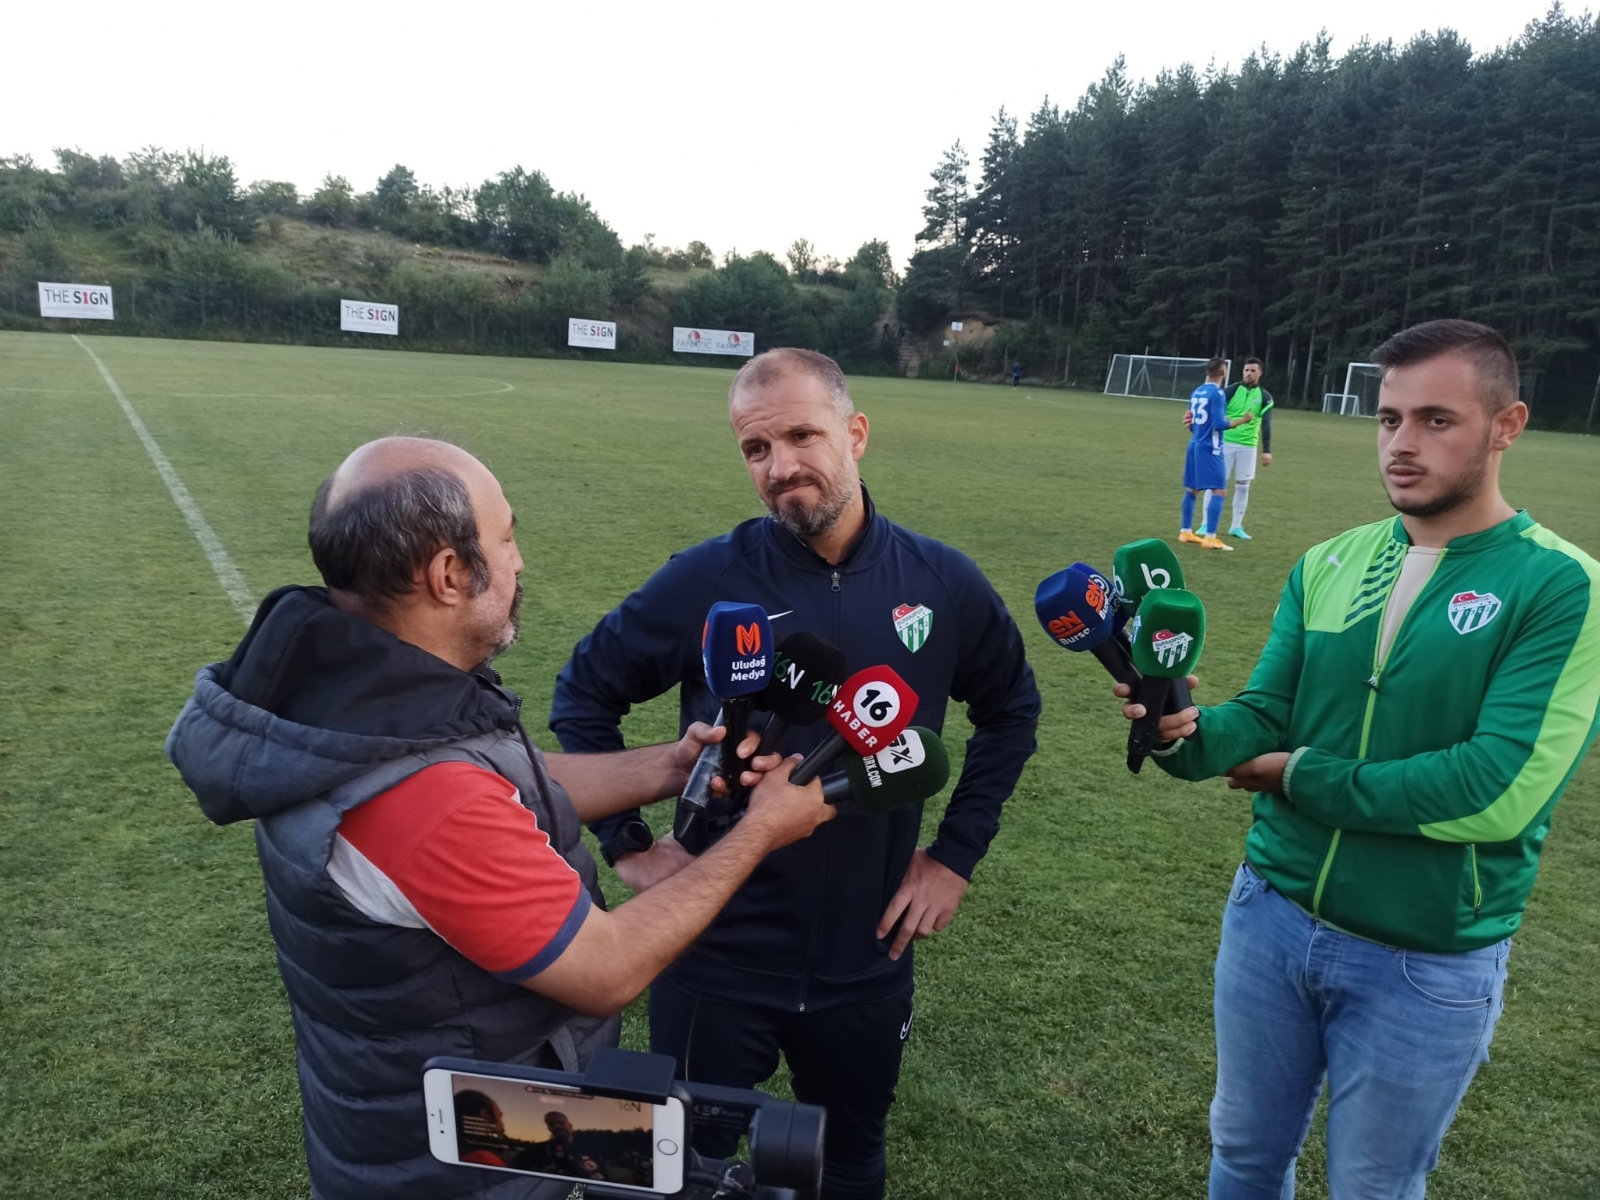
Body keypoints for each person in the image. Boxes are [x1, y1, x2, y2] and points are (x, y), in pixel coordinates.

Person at [165, 437, 832, 1200]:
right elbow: (607, 966)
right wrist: (761, 829)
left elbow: (502, 783)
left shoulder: (349, 690)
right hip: (461, 1167)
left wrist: (671, 766)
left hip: (452, 1115)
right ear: (448, 574)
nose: (519, 561)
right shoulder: (421, 803)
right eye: (506, 537)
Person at [1118, 320, 1600, 1198]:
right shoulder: (1329, 562)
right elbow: (1266, 712)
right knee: (1242, 1155)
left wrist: (1297, 775)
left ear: (1507, 425)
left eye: (1436, 420)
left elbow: (1496, 791)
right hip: (1270, 916)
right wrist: (1183, 731)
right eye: (1389, 419)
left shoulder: (1560, 584)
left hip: (1425, 956)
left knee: (1373, 1186)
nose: (1402, 444)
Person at [551, 348, 1041, 1200]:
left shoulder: (942, 582)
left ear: (856, 434)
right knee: (683, 1168)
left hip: (868, 958)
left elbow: (1012, 711)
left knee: (848, 1160)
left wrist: (954, 856)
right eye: (756, 448)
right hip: (716, 955)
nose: (780, 467)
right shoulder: (709, 578)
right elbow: (583, 694)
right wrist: (627, 842)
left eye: (802, 436)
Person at [1179, 356, 1254, 551]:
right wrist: (1243, 420)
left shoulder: (1197, 391)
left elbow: (1191, 422)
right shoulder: (1218, 394)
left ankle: (1185, 531)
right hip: (1210, 447)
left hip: (1194, 444)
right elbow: (1219, 424)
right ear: (1223, 372)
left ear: (1207, 372)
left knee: (1192, 489)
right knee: (1219, 490)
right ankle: (1210, 537)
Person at [1221, 357, 1275, 540]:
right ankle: (1206, 524)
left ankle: (1236, 526)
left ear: (1260, 373)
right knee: (1217, 484)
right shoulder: (1231, 391)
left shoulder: (1265, 397)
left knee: (1243, 486)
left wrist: (1266, 450)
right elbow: (1217, 412)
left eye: (1253, 370)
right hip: (1226, 443)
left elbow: (1266, 424)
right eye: (1246, 370)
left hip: (1248, 446)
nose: (1248, 374)